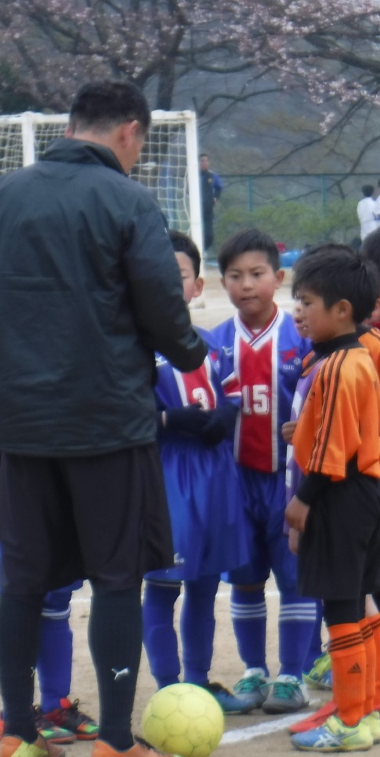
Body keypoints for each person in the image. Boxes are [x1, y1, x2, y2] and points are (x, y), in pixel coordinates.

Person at [0, 79, 205, 757]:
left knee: (24, 578)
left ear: (70, 126)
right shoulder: (128, 199)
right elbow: (161, 303)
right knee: (117, 576)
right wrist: (190, 353)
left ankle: (18, 733)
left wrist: (20, 351)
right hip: (105, 420)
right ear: (129, 131)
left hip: (19, 422)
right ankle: (117, 739)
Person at [282, 247, 380, 752]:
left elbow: (333, 446)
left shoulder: (336, 368)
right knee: (358, 604)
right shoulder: (358, 359)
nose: (299, 312)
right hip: (367, 493)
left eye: (308, 302)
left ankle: (349, 720)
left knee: (341, 610)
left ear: (343, 310)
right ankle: (366, 711)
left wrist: (303, 500)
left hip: (339, 496)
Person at [0, 357, 100, 755]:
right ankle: (16, 713)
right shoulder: (7, 335)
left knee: (59, 591)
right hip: (18, 462)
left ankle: (56, 702)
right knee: (23, 588)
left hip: (63, 451)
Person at [142, 231, 252, 712]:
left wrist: (227, 414)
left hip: (216, 476)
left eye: (180, 275)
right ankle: (169, 689)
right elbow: (121, 416)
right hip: (168, 475)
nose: (170, 284)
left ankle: (198, 680)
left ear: (197, 285)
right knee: (163, 584)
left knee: (205, 585)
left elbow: (232, 392)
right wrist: (170, 420)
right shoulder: (134, 347)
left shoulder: (210, 344)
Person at [211, 229, 315, 714]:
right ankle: (254, 670)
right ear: (222, 283)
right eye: (235, 276)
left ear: (279, 277)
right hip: (236, 484)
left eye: (257, 274)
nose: (246, 284)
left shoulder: (301, 337)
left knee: (294, 577)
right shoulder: (213, 344)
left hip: (286, 481)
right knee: (246, 577)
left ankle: (293, 674)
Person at [198, 153, 223, 250]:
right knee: (197, 230)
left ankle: (204, 249)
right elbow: (187, 190)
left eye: (206, 161)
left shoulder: (213, 176)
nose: (204, 163)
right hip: (196, 209)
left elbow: (219, 188)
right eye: (202, 161)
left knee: (209, 235)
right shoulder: (194, 175)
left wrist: (215, 197)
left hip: (208, 209)